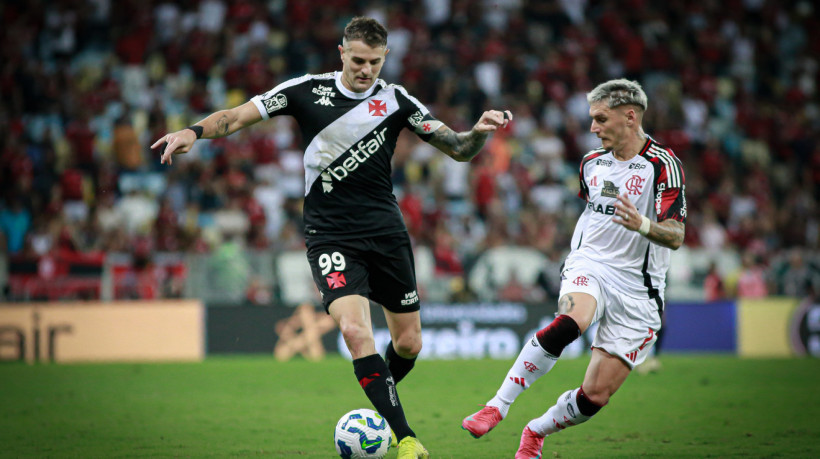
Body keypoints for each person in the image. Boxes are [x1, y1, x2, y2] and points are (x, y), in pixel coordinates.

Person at [152, 17, 511, 459]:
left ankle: (380, 403)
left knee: (409, 344)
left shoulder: (396, 100)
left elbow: (457, 148)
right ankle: (407, 439)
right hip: (330, 235)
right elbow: (235, 116)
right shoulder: (305, 90)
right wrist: (193, 132)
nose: (365, 70)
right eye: (357, 59)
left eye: (374, 62)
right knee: (356, 332)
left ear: (385, 59)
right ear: (342, 52)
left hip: (385, 233)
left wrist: (479, 132)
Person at [461, 79, 686, 458]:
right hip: (590, 263)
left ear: (630, 117)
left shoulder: (663, 165)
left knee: (596, 395)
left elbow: (676, 234)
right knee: (571, 321)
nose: (593, 128)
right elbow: (600, 200)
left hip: (640, 287)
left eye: (601, 119)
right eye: (591, 119)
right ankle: (496, 406)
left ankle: (536, 431)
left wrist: (643, 224)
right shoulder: (590, 163)